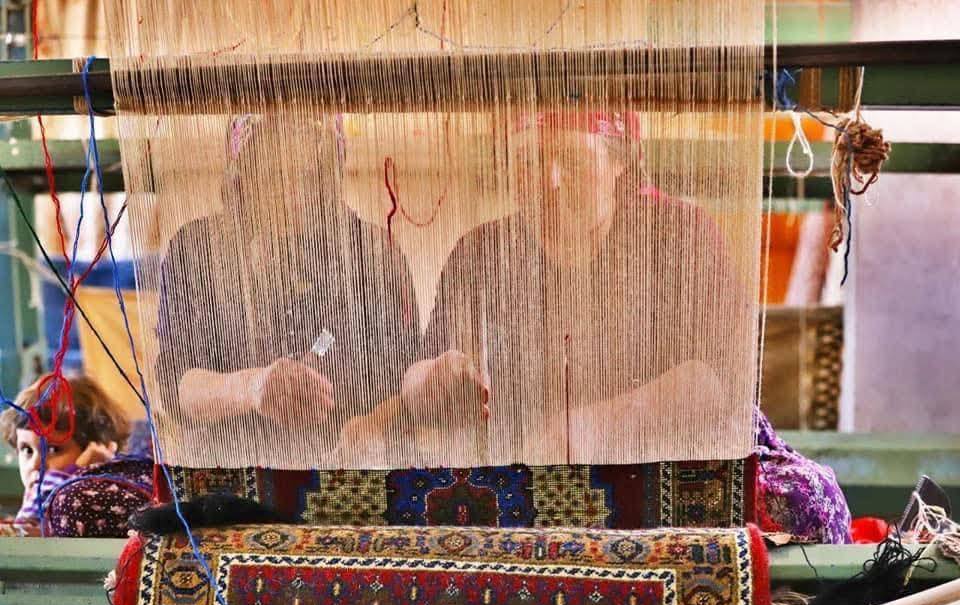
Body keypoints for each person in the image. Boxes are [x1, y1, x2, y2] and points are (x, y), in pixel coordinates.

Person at [401, 111, 851, 541]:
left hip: (665, 462)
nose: (549, 179)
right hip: (525, 471)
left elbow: (721, 382)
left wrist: (583, 430)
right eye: (529, 160)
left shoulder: (678, 235)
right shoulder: (481, 252)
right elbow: (422, 377)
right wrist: (433, 379)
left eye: (571, 159)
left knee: (807, 503)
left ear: (619, 161)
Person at [156, 115, 420, 466]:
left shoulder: (370, 252)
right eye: (272, 174)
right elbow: (178, 387)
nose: (292, 192)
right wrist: (253, 387)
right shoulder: (198, 249)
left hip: (349, 469)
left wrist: (372, 427)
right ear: (243, 175)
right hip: (232, 468)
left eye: (308, 174)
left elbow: (406, 372)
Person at [0, 374, 151, 535]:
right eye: (27, 450)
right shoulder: (35, 503)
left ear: (94, 447)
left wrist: (80, 469)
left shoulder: (88, 497)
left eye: (53, 450)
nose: (35, 464)